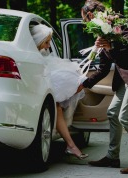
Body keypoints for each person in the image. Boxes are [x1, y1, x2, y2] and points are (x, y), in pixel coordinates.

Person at [78, 0, 128, 174]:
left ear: (90, 15)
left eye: (83, 17)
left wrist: (112, 44)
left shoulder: (117, 21)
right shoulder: (100, 33)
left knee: (125, 117)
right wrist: (84, 84)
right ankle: (112, 157)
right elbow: (103, 69)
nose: (83, 22)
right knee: (112, 113)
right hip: (125, 78)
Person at [30, 24, 88, 160]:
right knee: (57, 106)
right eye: (46, 42)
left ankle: (71, 145)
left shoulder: (42, 54)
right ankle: (71, 145)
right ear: (38, 41)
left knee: (57, 106)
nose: (48, 46)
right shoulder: (29, 56)